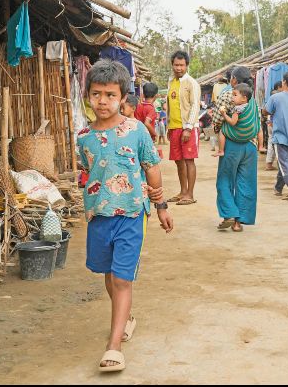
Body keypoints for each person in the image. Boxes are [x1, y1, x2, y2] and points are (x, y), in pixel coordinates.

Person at [76, 59, 174, 372]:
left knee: (121, 278)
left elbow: (152, 168)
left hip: (132, 214)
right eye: (96, 94)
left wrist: (161, 207)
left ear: (123, 97)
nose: (102, 101)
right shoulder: (83, 137)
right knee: (109, 274)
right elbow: (87, 170)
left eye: (110, 94)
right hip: (99, 216)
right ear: (88, 95)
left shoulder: (137, 132)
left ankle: (114, 345)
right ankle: (126, 319)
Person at [216, 67, 261, 232]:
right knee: (246, 183)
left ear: (234, 79)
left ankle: (229, 213)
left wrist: (221, 131)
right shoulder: (252, 98)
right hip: (251, 146)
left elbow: (216, 119)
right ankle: (238, 223)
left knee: (225, 180)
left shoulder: (228, 94)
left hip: (232, 145)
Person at [165, 50, 201, 206]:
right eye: (176, 65)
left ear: (187, 65)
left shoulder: (191, 83)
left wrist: (188, 128)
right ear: (172, 65)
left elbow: (195, 105)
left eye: (181, 65)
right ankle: (182, 191)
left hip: (187, 128)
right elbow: (170, 106)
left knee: (188, 160)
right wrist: (168, 126)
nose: (178, 68)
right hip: (174, 127)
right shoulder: (171, 82)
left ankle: (190, 194)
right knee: (178, 161)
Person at [263, 71, 288, 201]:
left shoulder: (275, 98)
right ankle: (278, 188)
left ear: (284, 82)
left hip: (280, 136)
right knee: (284, 162)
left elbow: (266, 111)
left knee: (284, 163)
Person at [212, 83, 263, 157]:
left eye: (235, 95)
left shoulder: (237, 109)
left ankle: (221, 151)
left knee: (222, 131)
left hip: (237, 137)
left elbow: (233, 122)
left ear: (244, 98)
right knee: (259, 127)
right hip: (250, 135)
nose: (232, 97)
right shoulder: (252, 105)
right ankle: (261, 146)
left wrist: (224, 115)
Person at [265, 81, 283, 171]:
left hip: (270, 122)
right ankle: (280, 164)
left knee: (271, 142)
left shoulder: (272, 96)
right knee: (277, 143)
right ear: (279, 87)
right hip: (273, 122)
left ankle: (269, 163)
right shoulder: (278, 96)